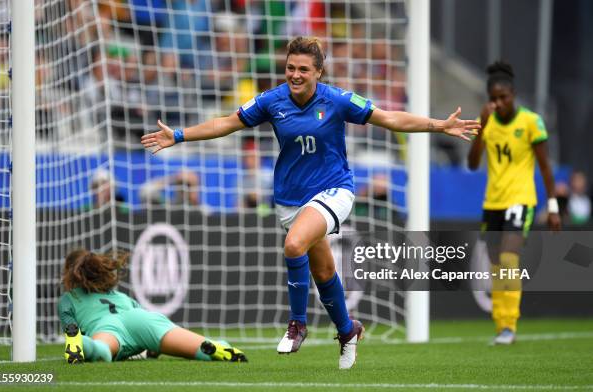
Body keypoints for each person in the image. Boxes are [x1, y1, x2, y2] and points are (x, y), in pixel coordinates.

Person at [141, 36, 480, 369]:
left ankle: (298, 324)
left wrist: (439, 126)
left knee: (294, 245)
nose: (295, 75)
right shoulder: (271, 101)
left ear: (319, 71)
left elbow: (390, 118)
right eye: (290, 68)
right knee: (323, 270)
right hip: (290, 198)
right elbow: (227, 123)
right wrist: (179, 135)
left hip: (335, 189)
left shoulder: (337, 100)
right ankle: (348, 330)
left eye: (304, 68)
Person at [467, 61, 561, 345]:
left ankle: (509, 325)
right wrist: (481, 127)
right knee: (496, 265)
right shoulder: (488, 121)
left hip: (521, 199)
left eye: (503, 97)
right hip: (493, 201)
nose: (499, 103)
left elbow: (545, 167)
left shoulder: (531, 122)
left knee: (509, 258)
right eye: (493, 99)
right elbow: (472, 164)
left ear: (513, 95)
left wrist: (554, 206)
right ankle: (501, 325)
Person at [58, 249, 247, 363]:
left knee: (102, 350)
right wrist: (151, 346)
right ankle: (219, 346)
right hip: (139, 317)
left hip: (106, 326)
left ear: (71, 274)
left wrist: (74, 334)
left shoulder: (69, 298)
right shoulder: (119, 296)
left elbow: (69, 325)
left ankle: (84, 345)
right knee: (192, 345)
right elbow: (139, 314)